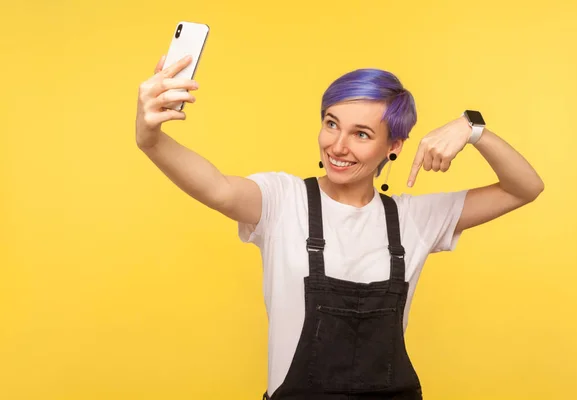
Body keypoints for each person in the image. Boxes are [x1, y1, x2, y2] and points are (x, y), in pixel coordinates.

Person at [135, 55, 544, 399]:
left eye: (361, 134)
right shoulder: (282, 200)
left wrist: (472, 129)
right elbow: (218, 188)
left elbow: (525, 188)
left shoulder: (414, 219)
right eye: (331, 124)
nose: (338, 146)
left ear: (394, 146)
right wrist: (151, 139)